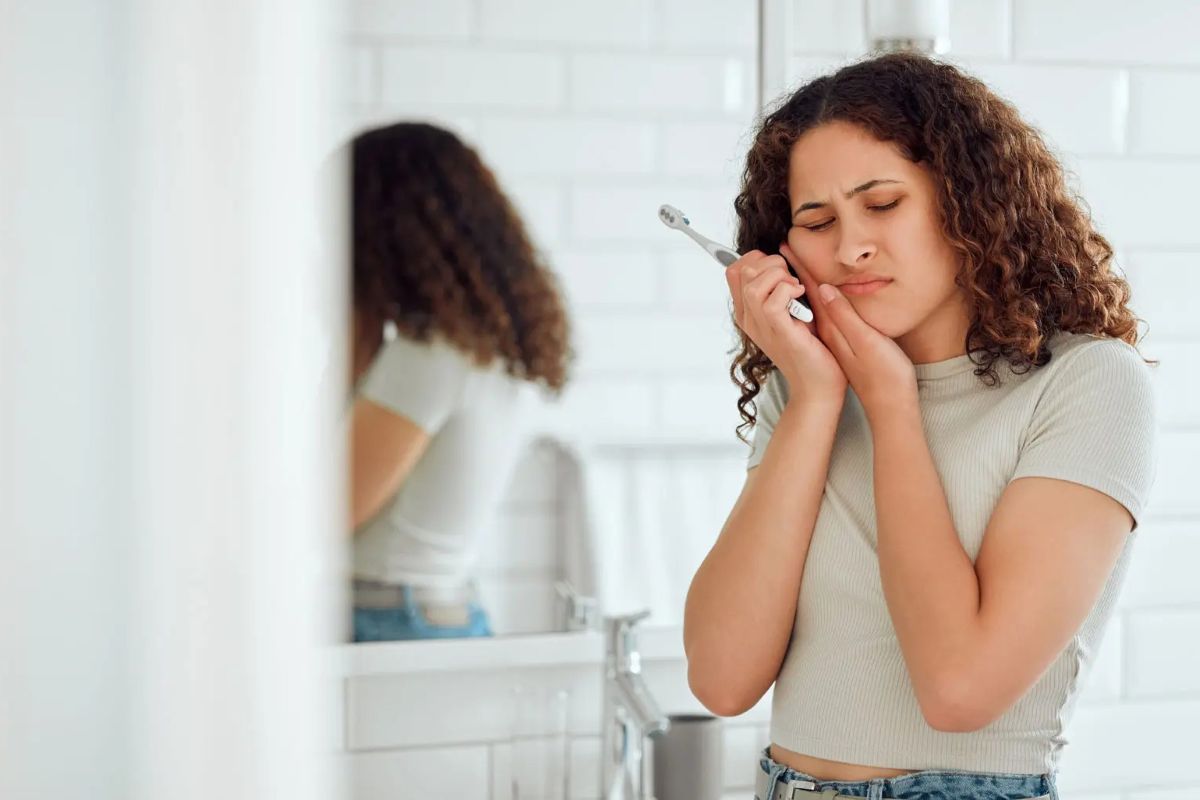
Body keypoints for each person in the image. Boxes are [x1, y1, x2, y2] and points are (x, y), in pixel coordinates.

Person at [683, 52, 1158, 800]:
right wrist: (813, 400)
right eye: (816, 220)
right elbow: (720, 677)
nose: (850, 248)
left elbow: (959, 688)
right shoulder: (808, 390)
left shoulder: (1088, 383)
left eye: (882, 203)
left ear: (966, 202)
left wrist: (893, 408)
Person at [347, 121, 572, 642]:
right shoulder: (485, 347)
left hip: (385, 619)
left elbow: (323, 510)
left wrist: (349, 329)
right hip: (436, 612)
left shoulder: (425, 357)